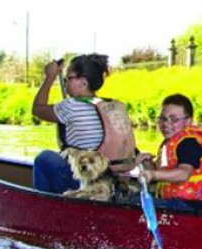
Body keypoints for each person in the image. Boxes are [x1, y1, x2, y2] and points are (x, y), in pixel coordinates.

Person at [31, 53, 135, 194]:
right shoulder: (113, 106)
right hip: (112, 180)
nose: (66, 82)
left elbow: (37, 109)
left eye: (69, 78)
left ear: (83, 83)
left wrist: (49, 77)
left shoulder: (71, 106)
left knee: (44, 158)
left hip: (86, 181)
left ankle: (43, 207)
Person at [137, 93, 202, 214]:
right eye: (162, 118)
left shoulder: (188, 143)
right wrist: (148, 164)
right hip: (176, 202)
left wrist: (153, 175)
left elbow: (183, 174)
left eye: (173, 119)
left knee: (135, 202)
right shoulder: (169, 143)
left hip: (194, 206)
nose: (166, 124)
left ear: (188, 122)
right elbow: (164, 172)